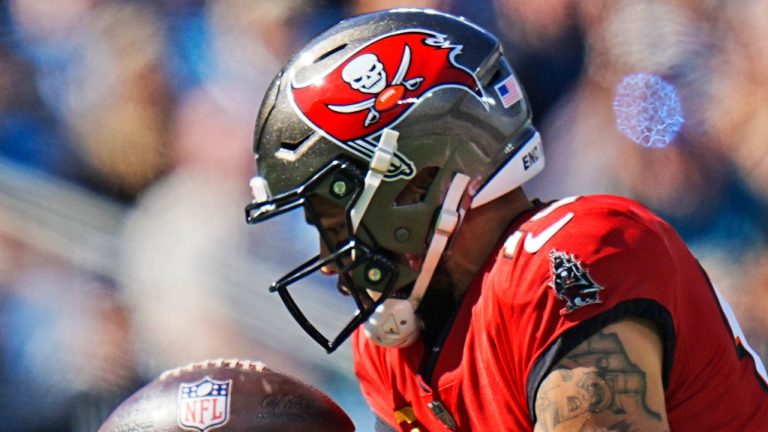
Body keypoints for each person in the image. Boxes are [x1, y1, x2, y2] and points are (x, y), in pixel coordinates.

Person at [244, 8, 768, 431]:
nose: (328, 262)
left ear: (418, 183)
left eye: (334, 218)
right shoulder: (393, 348)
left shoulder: (576, 256)